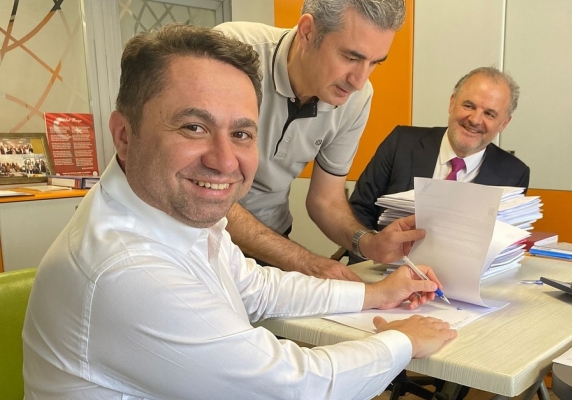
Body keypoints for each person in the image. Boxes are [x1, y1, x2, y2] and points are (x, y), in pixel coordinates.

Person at [22, 24, 457, 399]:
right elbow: (295, 388)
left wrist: (376, 294)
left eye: (242, 133)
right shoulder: (128, 270)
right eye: (194, 127)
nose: (225, 161)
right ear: (124, 135)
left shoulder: (177, 217)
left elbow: (257, 287)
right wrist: (402, 341)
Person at [215, 0, 413, 281]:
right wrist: (305, 262)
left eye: (374, 63)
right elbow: (204, 189)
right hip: (201, 234)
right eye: (351, 57)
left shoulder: (357, 97)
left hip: (271, 242)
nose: (359, 81)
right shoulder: (229, 53)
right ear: (307, 31)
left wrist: (368, 243)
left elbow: (325, 200)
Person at [350, 66, 530, 236]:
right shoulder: (400, 143)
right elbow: (359, 210)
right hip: (386, 258)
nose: (475, 120)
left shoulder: (514, 174)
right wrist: (372, 252)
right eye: (469, 106)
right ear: (452, 103)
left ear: (504, 123)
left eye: (489, 114)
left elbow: (505, 239)